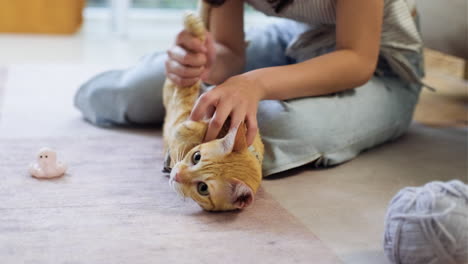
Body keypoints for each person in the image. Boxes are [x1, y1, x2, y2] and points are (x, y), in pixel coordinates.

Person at [75, 0, 425, 176]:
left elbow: (357, 59)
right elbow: (230, 52)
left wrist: (254, 85)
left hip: (383, 66)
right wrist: (203, 63)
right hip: (295, 41)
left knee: (260, 129)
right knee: (130, 93)